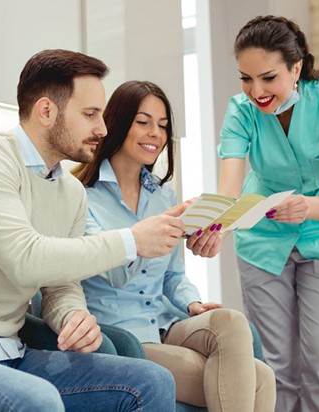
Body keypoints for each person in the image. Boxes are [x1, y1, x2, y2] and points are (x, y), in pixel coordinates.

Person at [0, 49, 185, 412]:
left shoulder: (70, 192)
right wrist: (131, 240)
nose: (102, 129)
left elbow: (60, 284)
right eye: (89, 114)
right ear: (46, 111)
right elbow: (26, 260)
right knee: (37, 400)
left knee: (150, 381)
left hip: (8, 350)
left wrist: (71, 315)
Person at [73, 80, 276, 412]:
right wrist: (152, 231)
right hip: (122, 335)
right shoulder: (81, 195)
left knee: (232, 322)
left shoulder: (163, 195)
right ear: (118, 123)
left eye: (163, 125)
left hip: (166, 322)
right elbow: (112, 274)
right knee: (260, 380)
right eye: (143, 122)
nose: (156, 133)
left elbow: (173, 276)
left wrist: (192, 303)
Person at [217, 15, 319, 412]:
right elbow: (229, 191)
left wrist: (306, 207)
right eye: (246, 79)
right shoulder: (240, 111)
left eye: (268, 78)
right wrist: (213, 224)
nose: (256, 91)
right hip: (262, 240)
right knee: (275, 367)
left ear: (295, 67)